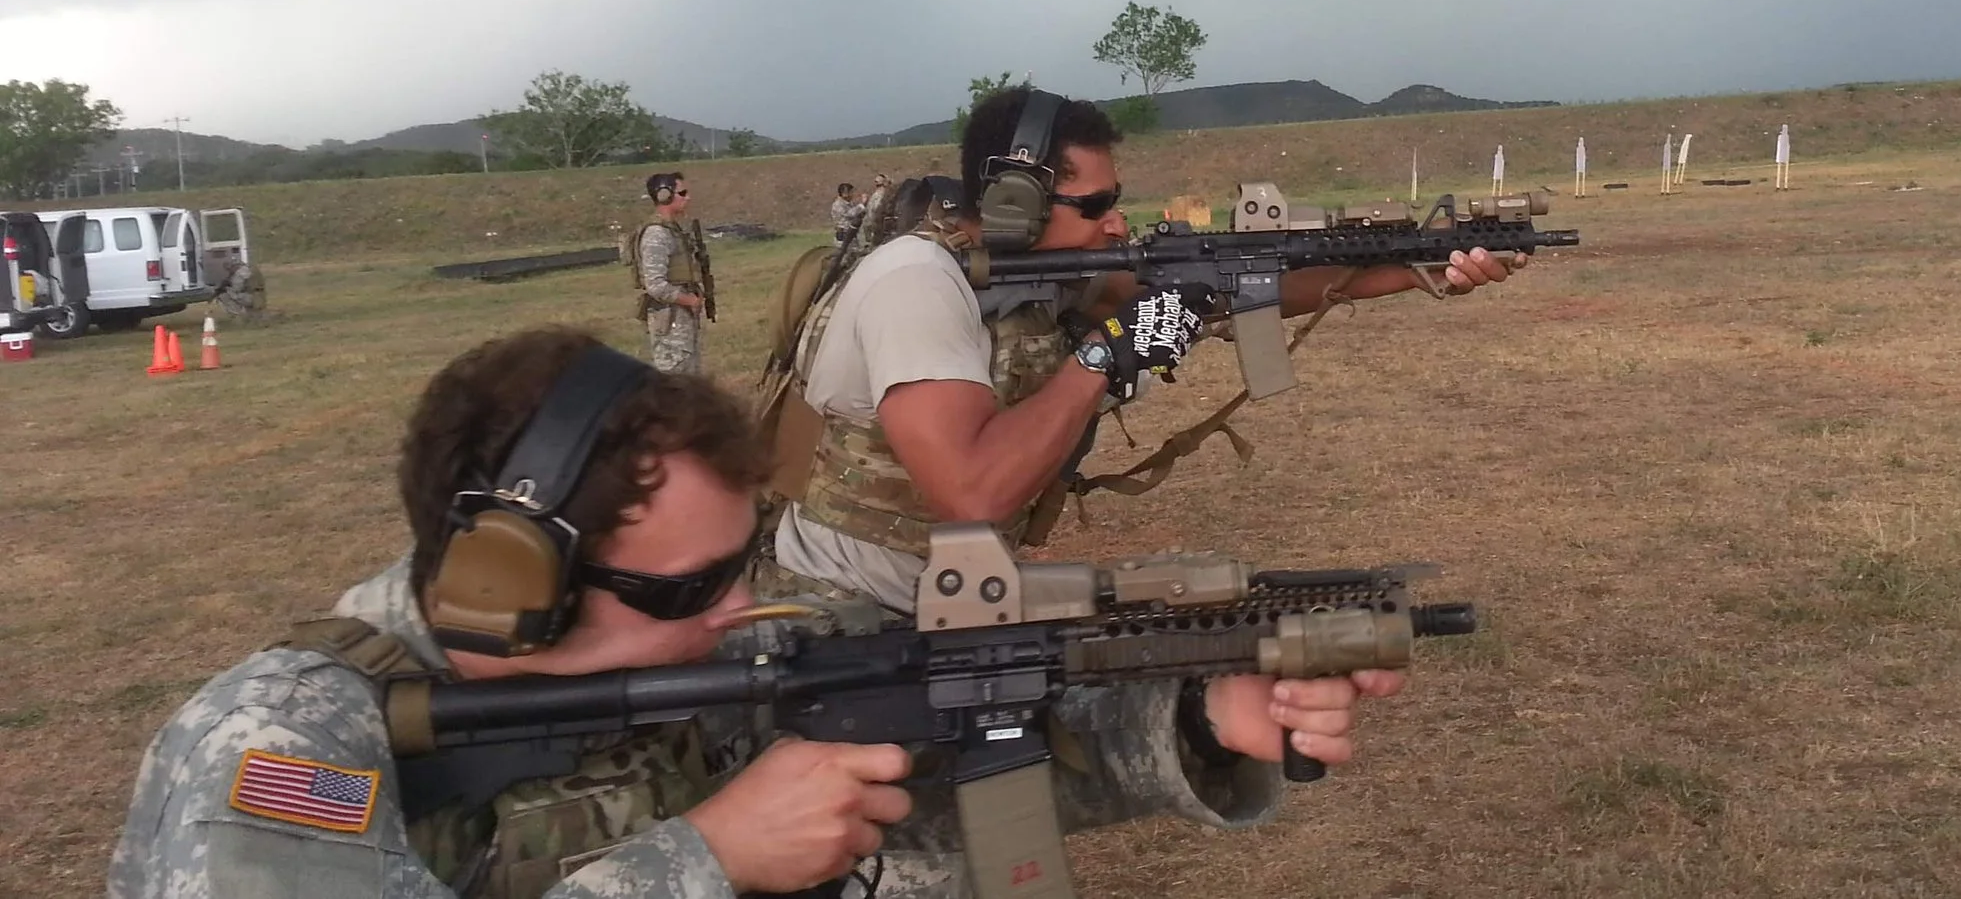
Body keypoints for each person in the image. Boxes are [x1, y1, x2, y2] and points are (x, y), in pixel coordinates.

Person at [108, 328, 1405, 898]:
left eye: (746, 558)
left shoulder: (746, 647)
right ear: (509, 587)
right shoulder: (278, 757)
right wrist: (709, 856)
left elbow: (961, 746)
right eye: (688, 586)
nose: (744, 608)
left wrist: (1200, 708)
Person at [767, 84, 1525, 616]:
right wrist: (1104, 356)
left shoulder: (1042, 273)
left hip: (941, 591)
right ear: (1014, 203)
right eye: (1093, 205)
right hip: (843, 609)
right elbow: (972, 492)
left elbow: (1237, 291)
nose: (1113, 222)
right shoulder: (915, 282)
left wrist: (1424, 266)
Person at [635, 172, 712, 375]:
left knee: (689, 378)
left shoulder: (672, 230)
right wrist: (689, 300)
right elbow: (655, 285)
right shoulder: (656, 234)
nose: (688, 198)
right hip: (670, 318)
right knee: (675, 382)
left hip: (679, 317)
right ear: (664, 196)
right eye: (682, 193)